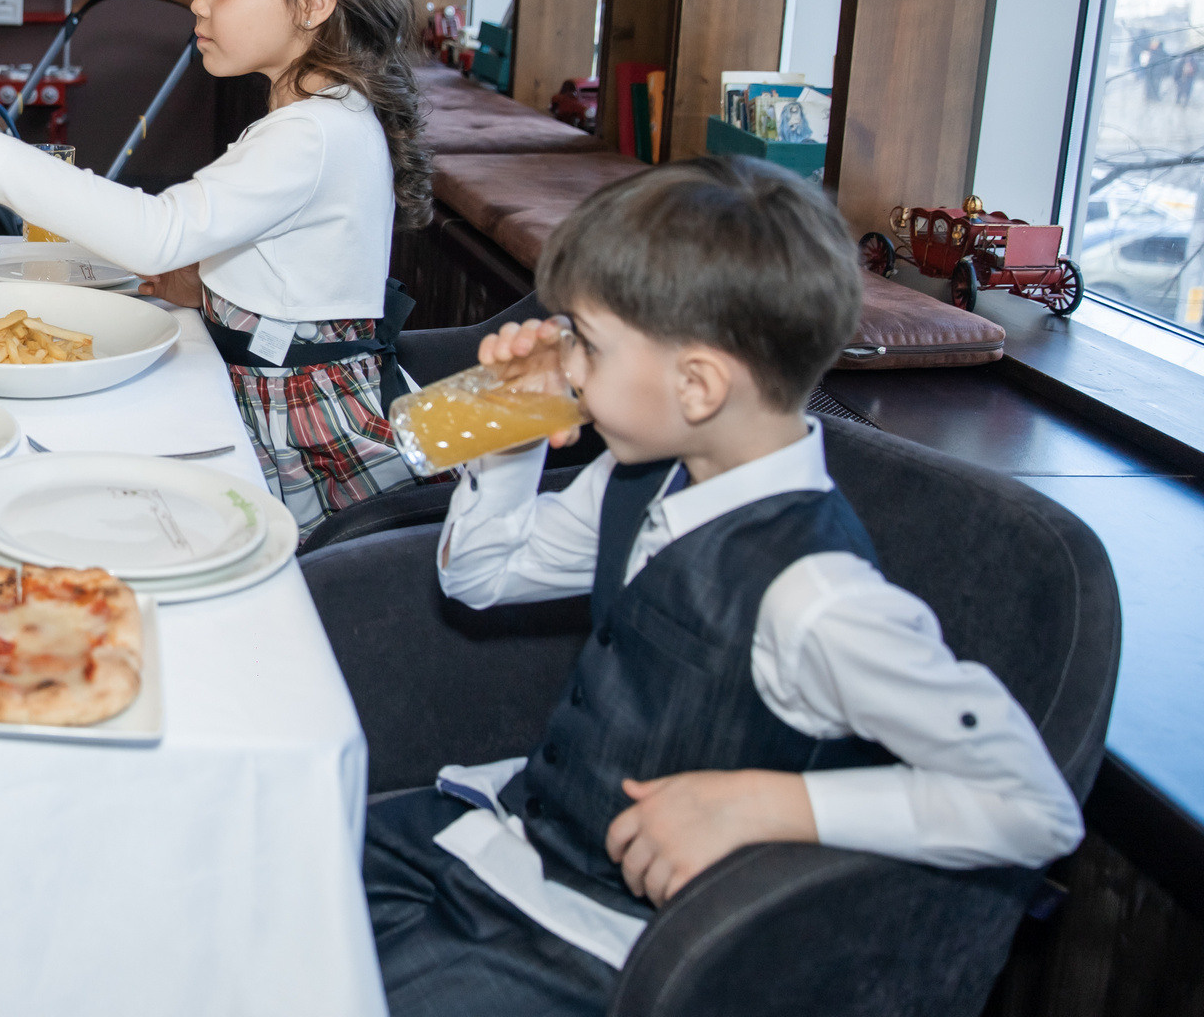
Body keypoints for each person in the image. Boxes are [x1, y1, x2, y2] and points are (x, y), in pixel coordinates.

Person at [360, 157, 1084, 1015]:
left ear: (697, 384)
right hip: (503, 844)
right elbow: (482, 580)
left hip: (598, 942)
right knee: (249, 880)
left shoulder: (817, 597)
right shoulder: (645, 477)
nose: (568, 364)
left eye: (584, 342)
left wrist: (761, 805)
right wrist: (508, 423)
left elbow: (1035, 807)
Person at [0, 0, 432, 529]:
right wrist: (206, 287)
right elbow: (293, 273)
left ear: (313, 3)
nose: (200, 4)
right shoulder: (323, 119)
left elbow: (160, 231)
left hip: (297, 432)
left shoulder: (312, 134)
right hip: (267, 392)